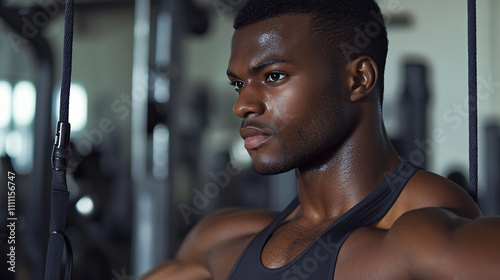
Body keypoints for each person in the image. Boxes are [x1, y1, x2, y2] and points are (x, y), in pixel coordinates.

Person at [142, 0, 500, 279]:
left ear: (358, 80)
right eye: (238, 84)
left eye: (274, 75)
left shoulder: (428, 236)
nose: (242, 105)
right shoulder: (220, 242)